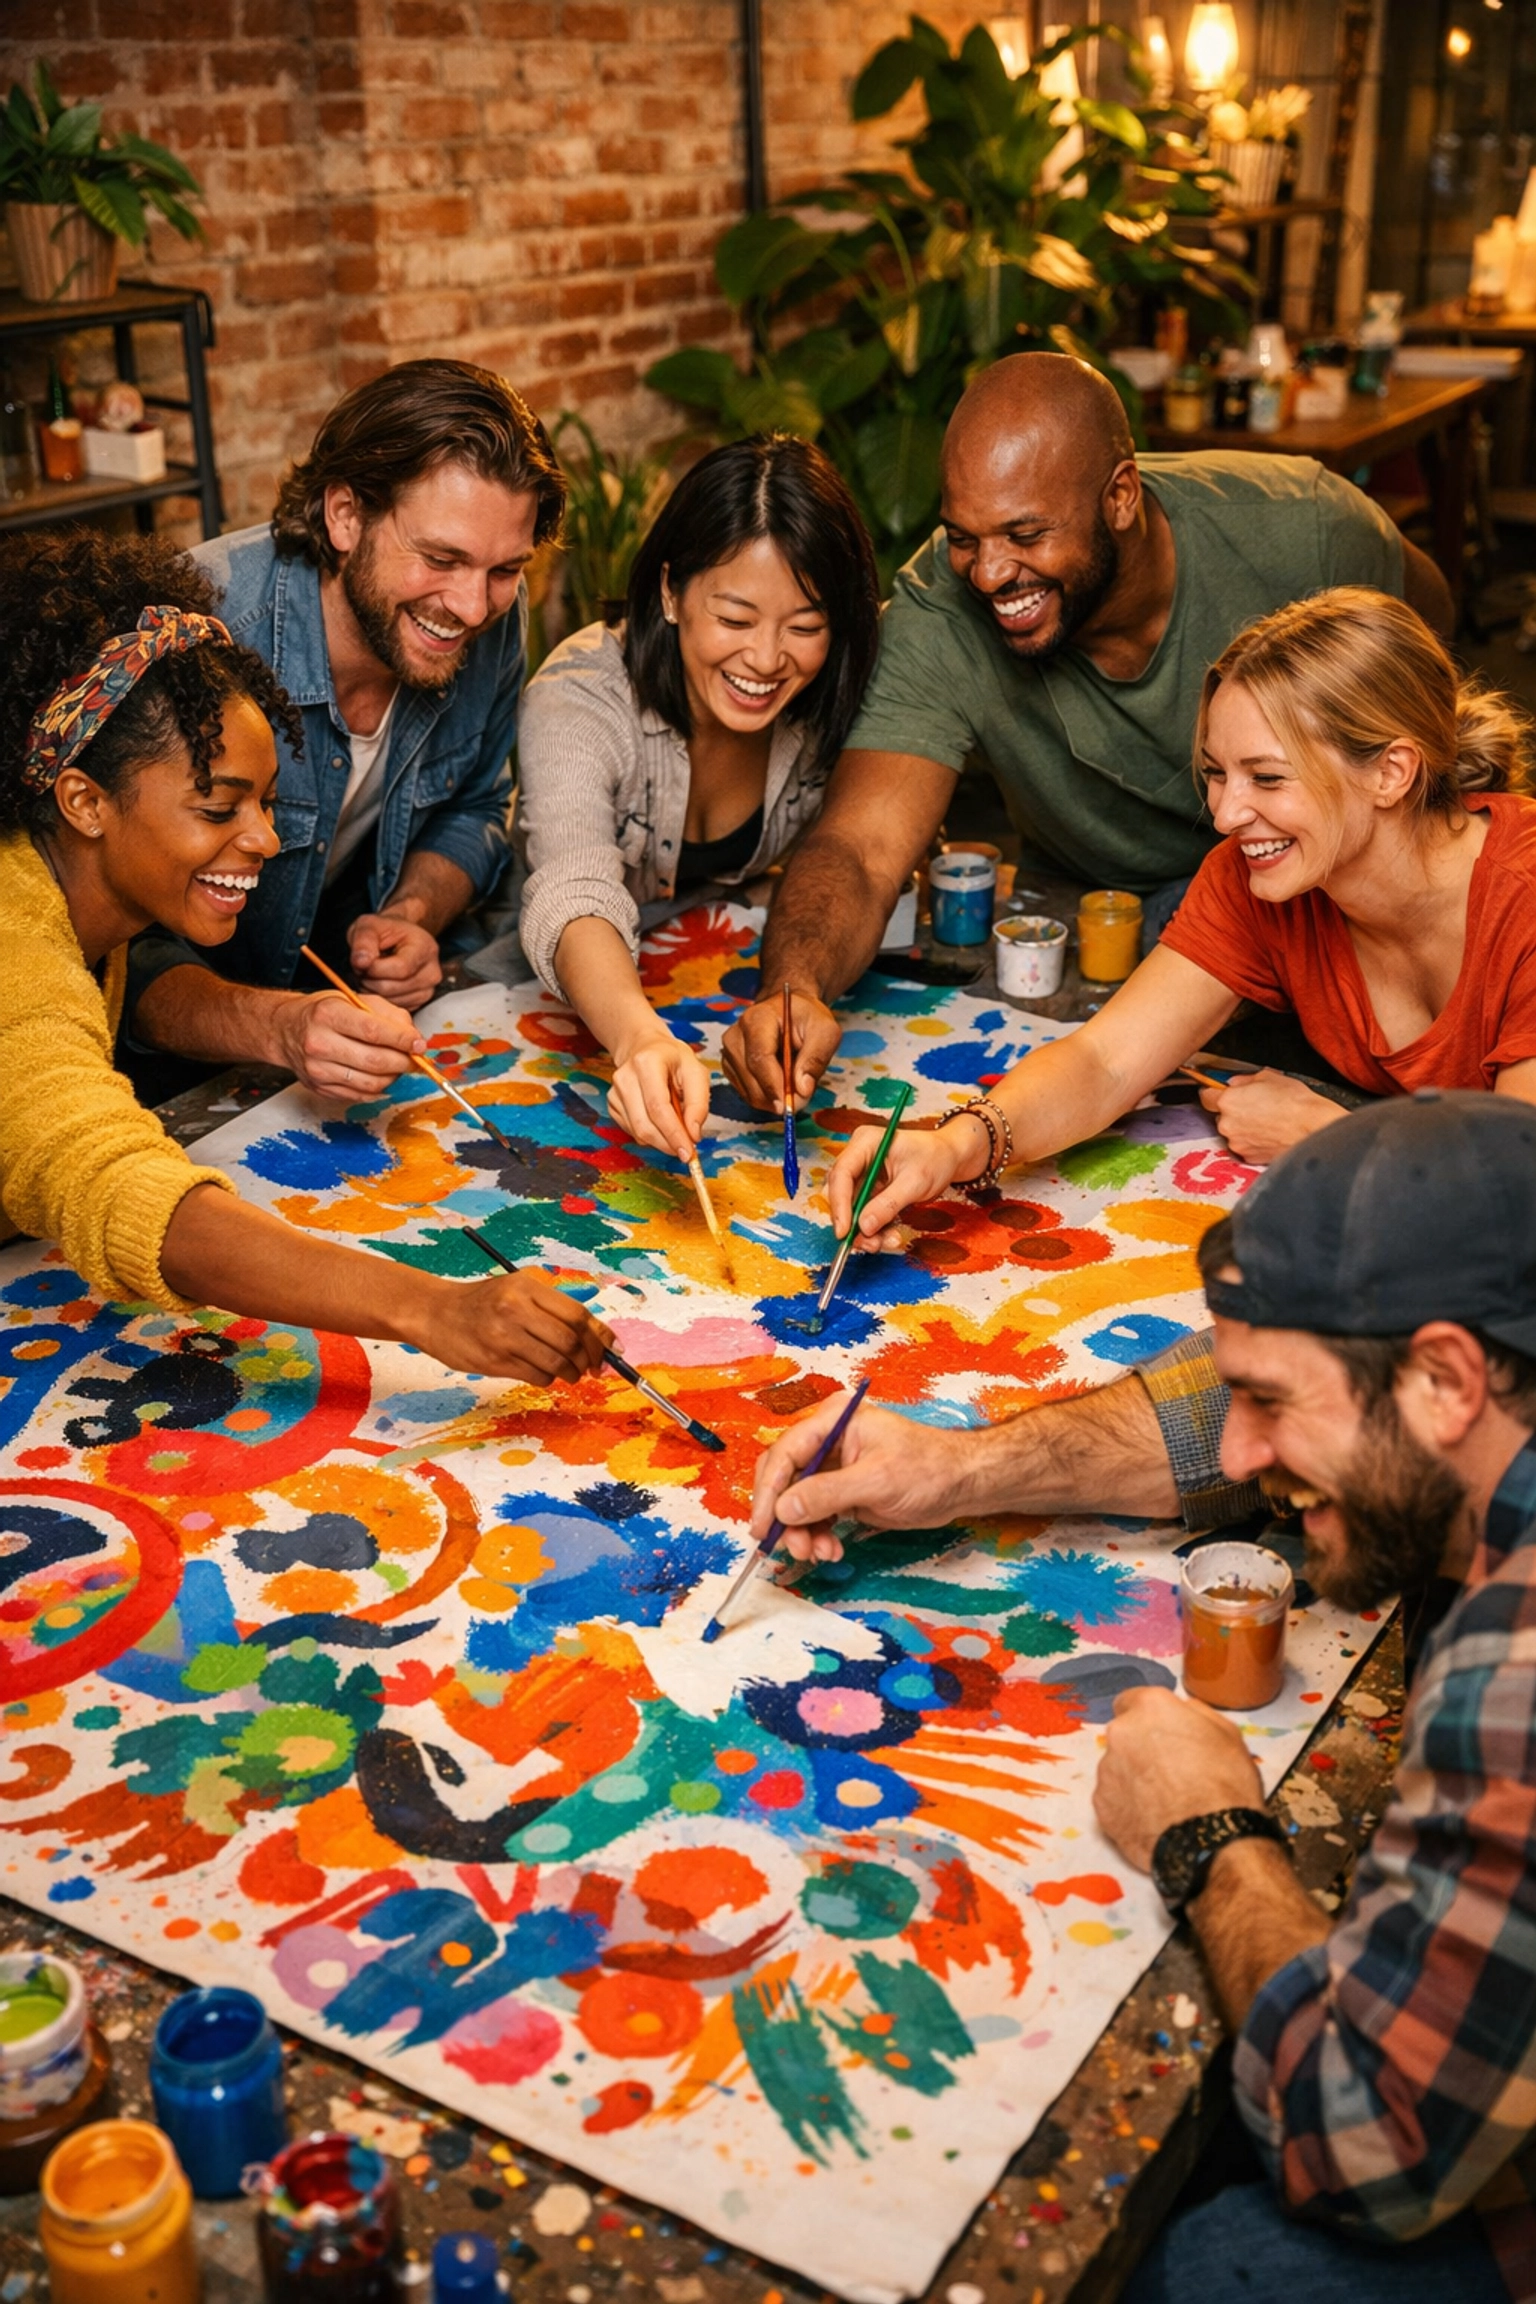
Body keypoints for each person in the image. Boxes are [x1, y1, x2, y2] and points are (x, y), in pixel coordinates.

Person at [753, 1092, 1536, 2301]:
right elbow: (1206, 1417)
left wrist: (1211, 1835)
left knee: (1198, 2268)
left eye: (1272, 1404)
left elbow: (1365, 2145)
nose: (1239, 1459)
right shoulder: (1487, 1378)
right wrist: (962, 1465)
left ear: (1445, 1377)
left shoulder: (1516, 1666)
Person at [722, 351, 1456, 1115]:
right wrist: (789, 989)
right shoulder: (943, 605)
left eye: (1026, 534)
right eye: (964, 537)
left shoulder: (1305, 528)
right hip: (1090, 904)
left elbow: (1428, 651)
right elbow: (861, 847)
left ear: (1121, 496)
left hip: (1296, 893)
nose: (988, 574)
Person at [0, 527, 608, 1387]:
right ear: (84, 803)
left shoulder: (80, 902)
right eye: (219, 810)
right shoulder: (16, 949)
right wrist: (432, 1308)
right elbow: (135, 1199)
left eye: (268, 802)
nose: (266, 838)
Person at [822, 587, 1536, 1243]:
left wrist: (1334, 1138)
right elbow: (1104, 1061)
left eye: (1268, 777)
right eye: (1217, 773)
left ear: (1391, 772)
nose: (1226, 814)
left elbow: (1513, 1202)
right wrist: (956, 1145)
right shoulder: (1261, 877)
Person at [120, 359, 564, 1105]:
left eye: (504, 569)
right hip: (174, 1074)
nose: (474, 606)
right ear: (345, 515)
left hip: (355, 1038)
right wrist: (276, 1026)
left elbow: (477, 809)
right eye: (441, 559)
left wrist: (414, 914)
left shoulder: (490, 615)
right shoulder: (199, 631)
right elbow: (102, 942)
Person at [511, 434, 879, 1161]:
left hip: (736, 971)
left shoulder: (834, 693)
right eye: (736, 620)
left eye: (805, 627)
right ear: (671, 592)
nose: (768, 660)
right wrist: (640, 1037)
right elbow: (574, 892)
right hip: (583, 1006)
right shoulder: (580, 697)